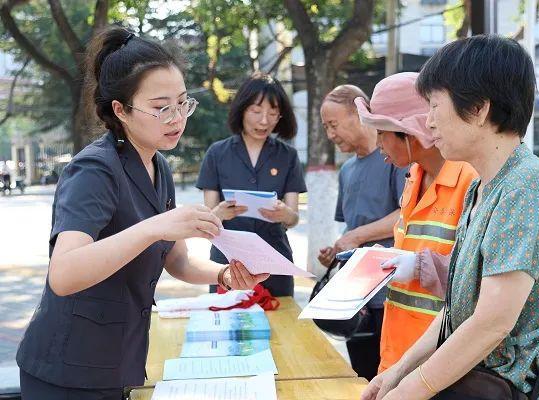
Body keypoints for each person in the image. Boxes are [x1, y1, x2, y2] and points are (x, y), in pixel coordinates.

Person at [16, 27, 268, 400]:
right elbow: (64, 274)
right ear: (121, 110)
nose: (177, 117)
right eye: (161, 107)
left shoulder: (158, 167)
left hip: (117, 358)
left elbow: (176, 260)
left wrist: (224, 275)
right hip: (68, 369)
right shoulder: (94, 170)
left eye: (183, 103)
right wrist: (154, 227)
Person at [363, 35, 539, 400]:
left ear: (478, 108)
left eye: (434, 106)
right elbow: (456, 311)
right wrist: (399, 372)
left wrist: (410, 391)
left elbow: (491, 324)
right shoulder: (482, 187)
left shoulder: (526, 187)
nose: (428, 123)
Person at [354, 72, 477, 374]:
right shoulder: (414, 178)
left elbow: (479, 282)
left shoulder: (471, 181)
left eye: (382, 131)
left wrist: (413, 266)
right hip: (397, 356)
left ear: (410, 133)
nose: (377, 142)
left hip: (440, 367)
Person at [318, 84, 407, 380]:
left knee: (390, 377)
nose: (330, 134)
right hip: (356, 292)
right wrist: (338, 248)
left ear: (358, 114)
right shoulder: (347, 171)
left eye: (333, 124)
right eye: (326, 127)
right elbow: (351, 225)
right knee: (361, 375)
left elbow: (406, 213)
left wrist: (357, 236)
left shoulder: (394, 159)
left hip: (390, 290)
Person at [197, 72, 307, 297]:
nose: (264, 120)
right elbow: (208, 217)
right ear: (242, 110)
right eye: (256, 111)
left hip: (275, 262)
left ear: (280, 117)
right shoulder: (217, 154)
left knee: (280, 328)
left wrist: (285, 214)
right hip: (227, 263)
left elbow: (294, 218)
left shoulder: (288, 156)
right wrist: (219, 213)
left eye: (273, 113)